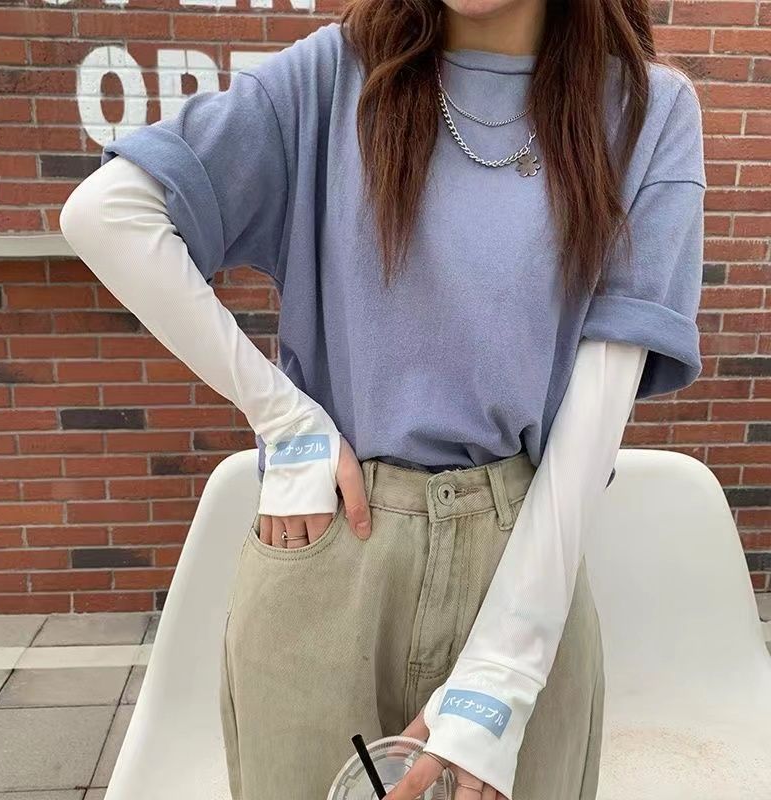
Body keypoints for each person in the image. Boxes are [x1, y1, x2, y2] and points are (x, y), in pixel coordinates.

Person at [59, 0, 705, 797]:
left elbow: (596, 412)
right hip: (333, 552)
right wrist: (286, 419)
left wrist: (502, 672)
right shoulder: (331, 78)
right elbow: (108, 212)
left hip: (526, 565)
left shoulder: (646, 112)